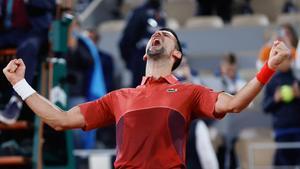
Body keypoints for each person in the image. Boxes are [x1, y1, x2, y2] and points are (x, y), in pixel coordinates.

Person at [2, 27, 290, 168]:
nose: (158, 34)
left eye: (165, 34)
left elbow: (236, 103)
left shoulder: (189, 92)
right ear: (144, 53)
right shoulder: (118, 97)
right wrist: (20, 84)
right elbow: (60, 120)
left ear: (176, 54)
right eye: (156, 33)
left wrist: (269, 67)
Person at [262, 54, 300, 166]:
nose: (286, 62)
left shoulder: (296, 80)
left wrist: (298, 95)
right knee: (283, 163)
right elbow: (265, 107)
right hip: (281, 131)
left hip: (298, 130)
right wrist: (275, 99)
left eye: (288, 59)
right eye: (283, 59)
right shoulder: (272, 82)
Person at [119, 0, 166, 87]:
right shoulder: (139, 13)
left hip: (159, 64)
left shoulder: (161, 14)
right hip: (142, 62)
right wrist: (131, 62)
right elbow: (126, 41)